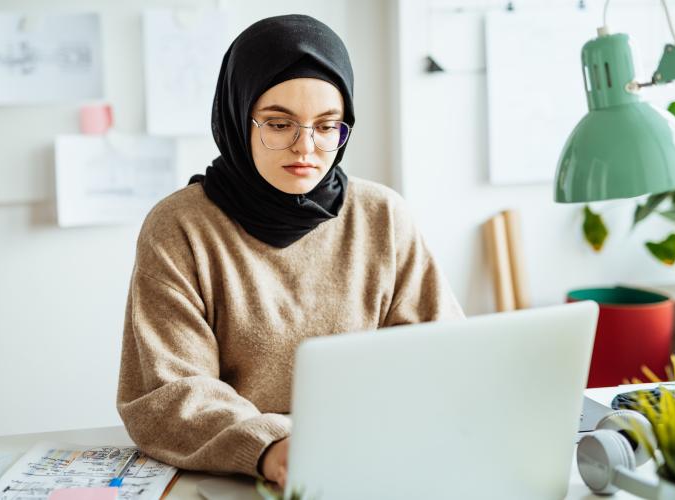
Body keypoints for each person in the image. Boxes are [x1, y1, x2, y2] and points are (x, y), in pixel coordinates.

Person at [116, 14, 463, 489]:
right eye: (279, 124)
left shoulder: (382, 215)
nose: (307, 148)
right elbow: (168, 393)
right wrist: (271, 446)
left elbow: (444, 355)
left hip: (371, 465)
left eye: (327, 126)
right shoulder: (180, 227)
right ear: (239, 117)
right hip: (243, 476)